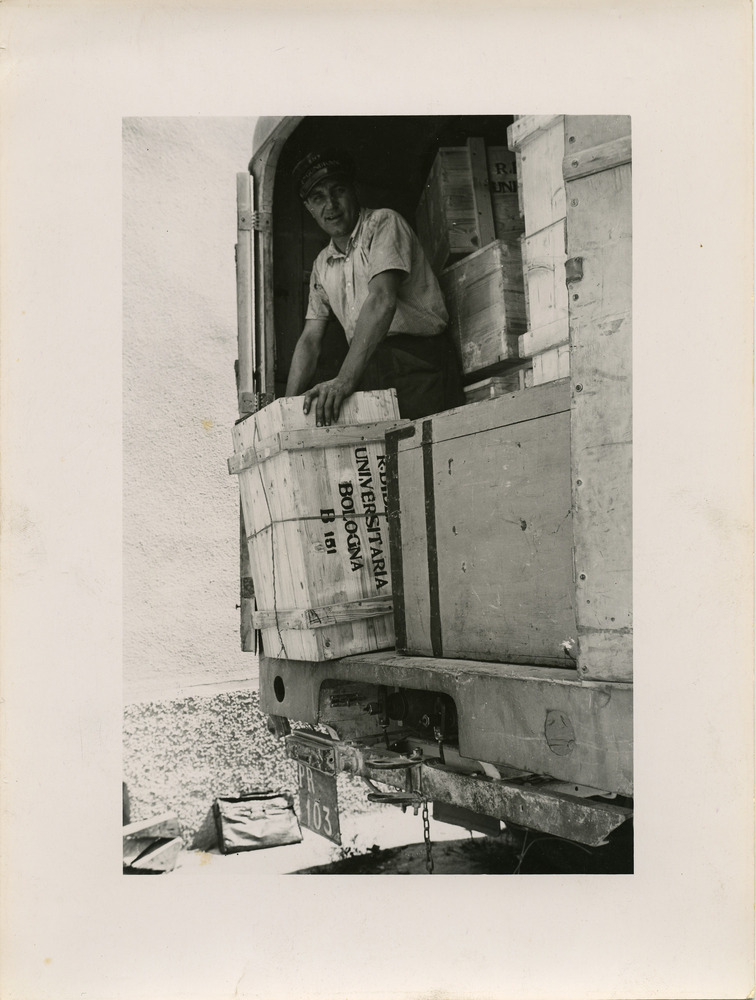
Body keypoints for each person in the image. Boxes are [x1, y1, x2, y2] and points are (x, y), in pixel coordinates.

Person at [285, 148, 464, 425]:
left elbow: (382, 300)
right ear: (309, 208)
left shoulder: (382, 223)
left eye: (338, 191)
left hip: (418, 364)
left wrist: (344, 380)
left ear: (353, 191)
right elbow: (310, 339)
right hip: (369, 366)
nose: (330, 205)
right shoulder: (322, 264)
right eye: (318, 198)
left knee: (426, 458)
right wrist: (286, 411)